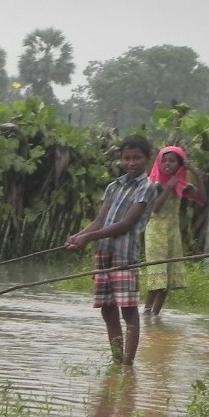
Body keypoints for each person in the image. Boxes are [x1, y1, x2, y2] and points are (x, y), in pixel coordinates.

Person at [64, 135, 157, 364]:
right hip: (104, 253)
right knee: (107, 309)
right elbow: (99, 221)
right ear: (121, 159)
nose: (132, 163)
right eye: (127, 158)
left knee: (128, 310)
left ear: (147, 159)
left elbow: (125, 224)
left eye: (137, 158)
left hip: (125, 256)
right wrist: (77, 237)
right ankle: (117, 361)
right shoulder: (113, 186)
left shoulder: (147, 188)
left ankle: (128, 364)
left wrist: (88, 237)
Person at [143, 146, 207, 317]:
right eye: (164, 160)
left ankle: (155, 315)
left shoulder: (182, 185)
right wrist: (168, 188)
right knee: (157, 274)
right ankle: (146, 311)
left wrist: (195, 173)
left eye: (172, 161)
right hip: (155, 231)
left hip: (172, 231)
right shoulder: (154, 184)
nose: (167, 164)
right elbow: (154, 208)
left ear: (179, 164)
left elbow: (202, 199)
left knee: (168, 275)